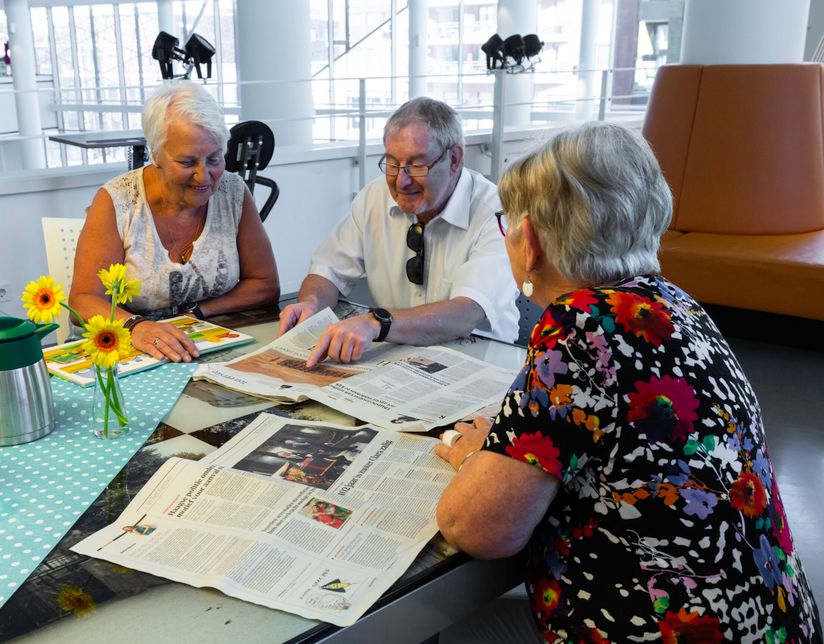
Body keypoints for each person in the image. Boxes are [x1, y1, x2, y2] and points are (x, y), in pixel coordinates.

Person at [434, 122, 821, 641]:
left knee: (450, 634)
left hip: (673, 628)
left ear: (529, 242)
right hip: (772, 621)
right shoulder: (671, 303)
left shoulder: (580, 326)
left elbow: (478, 528)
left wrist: (474, 459)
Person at [278, 96, 520, 367]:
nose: (401, 181)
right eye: (392, 164)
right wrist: (311, 304)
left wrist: (376, 323)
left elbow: (466, 312)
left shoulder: (497, 212)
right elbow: (327, 272)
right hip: (398, 359)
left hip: (478, 364)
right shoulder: (374, 197)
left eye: (417, 164)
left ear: (454, 159)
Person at [70, 82, 280, 363]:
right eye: (187, 162)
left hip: (207, 345)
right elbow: (83, 299)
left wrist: (197, 311)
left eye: (214, 159)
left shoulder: (233, 192)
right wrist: (136, 326)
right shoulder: (117, 201)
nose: (204, 176)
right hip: (134, 352)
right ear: (155, 154)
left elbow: (265, 284)